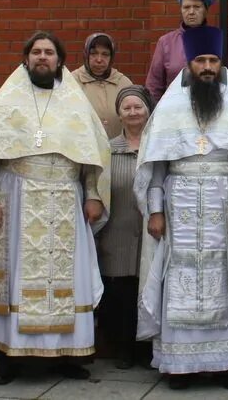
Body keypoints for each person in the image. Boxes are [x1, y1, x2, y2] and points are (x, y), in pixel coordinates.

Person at [0, 32, 111, 386]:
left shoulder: (76, 102)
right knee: (15, 279)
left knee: (70, 278)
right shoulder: (6, 101)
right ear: (25, 59)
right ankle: (8, 356)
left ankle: (70, 353)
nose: (42, 58)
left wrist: (94, 194)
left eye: (49, 52)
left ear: (59, 61)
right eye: (36, 52)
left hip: (66, 199)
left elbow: (94, 156)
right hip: (17, 198)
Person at [135, 26, 228, 390]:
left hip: (225, 206)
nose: (206, 67)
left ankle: (226, 366)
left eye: (213, 60)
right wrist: (154, 210)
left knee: (227, 279)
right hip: (178, 202)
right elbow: (154, 165)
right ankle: (180, 365)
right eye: (200, 60)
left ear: (221, 64)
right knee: (178, 277)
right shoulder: (169, 107)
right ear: (188, 64)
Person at [95, 85, 154, 369]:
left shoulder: (157, 146)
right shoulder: (108, 150)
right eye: (127, 108)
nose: (133, 112)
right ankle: (123, 348)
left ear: (148, 110)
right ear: (119, 113)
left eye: (138, 106)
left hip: (149, 233)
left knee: (145, 289)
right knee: (118, 292)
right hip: (116, 231)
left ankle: (146, 347)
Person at [146, 0, 228, 102]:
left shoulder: (219, 40)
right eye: (186, 7)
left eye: (197, 7)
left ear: (206, 9)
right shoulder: (166, 42)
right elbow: (154, 86)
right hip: (175, 111)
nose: (191, 12)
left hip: (212, 109)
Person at [72, 32, 133, 139]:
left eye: (105, 54)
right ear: (86, 54)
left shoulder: (123, 83)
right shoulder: (72, 81)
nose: (99, 59)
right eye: (93, 53)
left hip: (118, 150)